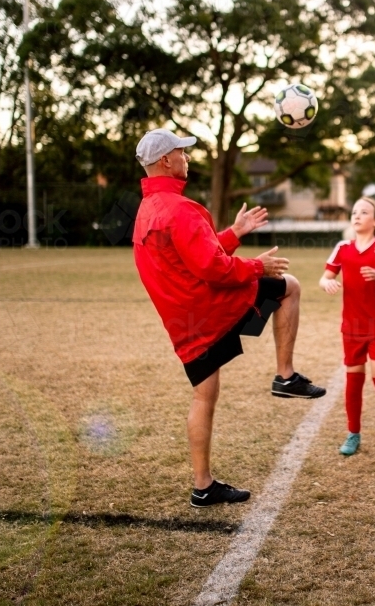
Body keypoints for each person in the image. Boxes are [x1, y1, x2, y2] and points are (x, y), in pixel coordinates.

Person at [132, 129, 325, 508]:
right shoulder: (180, 208)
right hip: (210, 308)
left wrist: (234, 233)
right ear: (166, 161)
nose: (187, 158)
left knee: (204, 396)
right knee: (289, 286)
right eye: (182, 153)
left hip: (184, 324)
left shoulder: (147, 212)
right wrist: (257, 266)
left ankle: (203, 486)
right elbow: (213, 268)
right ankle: (285, 376)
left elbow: (196, 252)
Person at [320, 198, 375, 457]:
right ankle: (353, 433)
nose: (356, 216)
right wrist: (327, 283)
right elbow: (326, 276)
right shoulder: (342, 247)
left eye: (364, 212)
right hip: (352, 327)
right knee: (353, 383)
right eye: (354, 212)